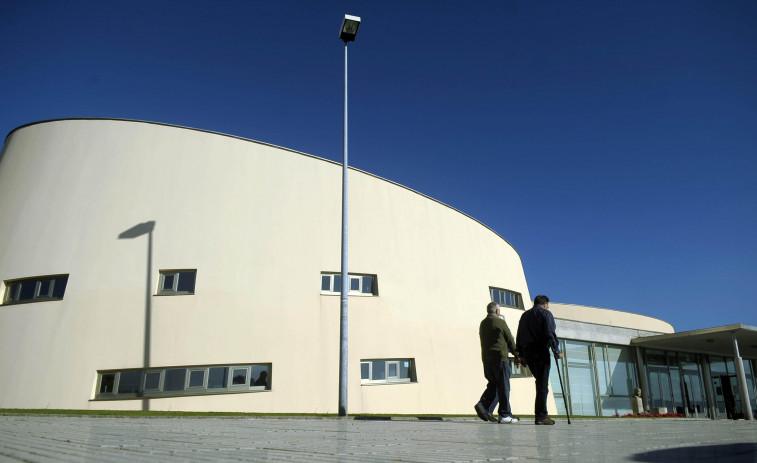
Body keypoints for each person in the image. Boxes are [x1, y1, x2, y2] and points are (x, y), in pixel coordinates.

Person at [516, 295, 562, 425]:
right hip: (540, 350)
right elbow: (550, 332)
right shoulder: (546, 313)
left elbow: (519, 335)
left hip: (527, 351)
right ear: (545, 304)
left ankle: (540, 414)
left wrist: (520, 354)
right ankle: (541, 416)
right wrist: (557, 351)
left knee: (540, 382)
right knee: (542, 384)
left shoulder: (524, 316)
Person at [474, 302, 520, 424]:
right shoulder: (500, 322)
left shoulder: (483, 324)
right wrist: (517, 355)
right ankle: (505, 414)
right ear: (497, 311)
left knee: (493, 384)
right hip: (500, 358)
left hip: (487, 359)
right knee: (504, 386)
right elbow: (510, 339)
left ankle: (483, 405)